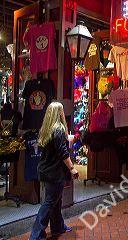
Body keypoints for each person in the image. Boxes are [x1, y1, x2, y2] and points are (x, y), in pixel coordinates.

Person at [30, 102, 79, 240]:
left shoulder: (47, 128)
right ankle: (36, 235)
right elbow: (62, 153)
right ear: (59, 113)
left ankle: (58, 227)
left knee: (56, 200)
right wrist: (72, 168)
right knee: (50, 202)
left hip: (46, 170)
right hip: (54, 172)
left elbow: (54, 147)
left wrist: (66, 139)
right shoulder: (58, 129)